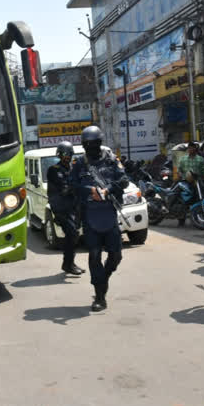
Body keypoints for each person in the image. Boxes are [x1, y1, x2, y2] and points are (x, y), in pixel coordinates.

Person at [70, 125, 129, 312]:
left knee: (116, 256)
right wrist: (90, 191)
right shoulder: (79, 163)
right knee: (94, 255)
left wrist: (108, 190)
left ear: (100, 143)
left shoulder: (111, 160)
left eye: (93, 144)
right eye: (87, 145)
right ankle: (100, 297)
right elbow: (72, 184)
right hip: (90, 214)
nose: (91, 148)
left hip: (109, 213)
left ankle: (104, 278)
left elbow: (124, 180)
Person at [47, 141, 84, 275]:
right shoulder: (54, 170)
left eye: (68, 155)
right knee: (72, 234)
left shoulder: (72, 169)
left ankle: (68, 263)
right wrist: (76, 185)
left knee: (73, 235)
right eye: (64, 155)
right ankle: (68, 264)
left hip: (72, 208)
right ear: (59, 155)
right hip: (61, 209)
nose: (66, 158)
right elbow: (64, 188)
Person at [177, 141, 204, 227]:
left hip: (197, 182)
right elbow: (179, 170)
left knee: (201, 197)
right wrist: (180, 175)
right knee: (182, 199)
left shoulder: (200, 159)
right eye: (189, 148)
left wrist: (202, 177)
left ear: (196, 149)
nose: (191, 149)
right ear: (188, 149)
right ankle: (181, 219)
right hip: (185, 182)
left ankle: (199, 217)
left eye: (193, 148)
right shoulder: (183, 159)